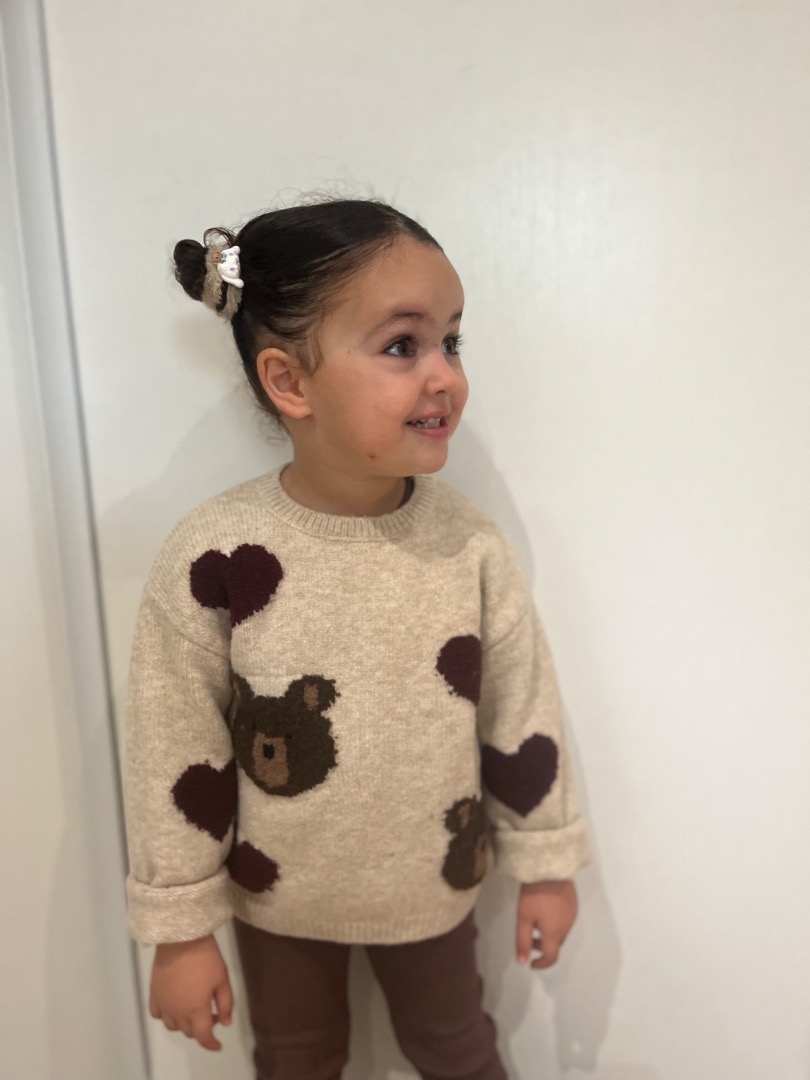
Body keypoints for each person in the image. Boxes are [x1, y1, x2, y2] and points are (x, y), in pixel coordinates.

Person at [124, 197, 590, 1080]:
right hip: (276, 897)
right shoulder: (214, 556)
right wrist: (179, 931)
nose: (445, 375)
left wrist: (547, 863)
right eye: (403, 346)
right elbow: (171, 750)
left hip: (434, 882)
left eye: (452, 341)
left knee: (458, 1050)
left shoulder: (469, 544)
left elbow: (520, 710)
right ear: (289, 382)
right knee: (296, 1060)